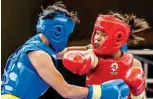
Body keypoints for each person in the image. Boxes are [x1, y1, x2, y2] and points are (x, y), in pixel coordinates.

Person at [1, 2, 130, 99]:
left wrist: (91, 49)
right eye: (68, 35)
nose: (67, 39)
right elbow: (66, 91)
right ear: (57, 31)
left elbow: (64, 52)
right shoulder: (40, 55)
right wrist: (101, 92)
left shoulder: (36, 44)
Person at [60, 12, 150, 99]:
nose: (97, 38)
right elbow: (67, 53)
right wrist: (79, 58)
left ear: (118, 38)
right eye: (97, 33)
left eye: (103, 34)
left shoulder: (133, 63)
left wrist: (138, 90)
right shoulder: (93, 55)